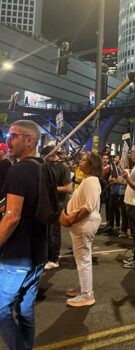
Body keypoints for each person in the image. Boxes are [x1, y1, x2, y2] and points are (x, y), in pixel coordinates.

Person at [0, 120, 47, 350]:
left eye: (14, 136)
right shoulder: (44, 168)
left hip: (16, 255)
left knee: (1, 310)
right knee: (26, 310)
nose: (8, 140)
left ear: (30, 140)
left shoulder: (18, 170)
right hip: (38, 254)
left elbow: (12, 216)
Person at [59, 152, 102, 307]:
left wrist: (71, 219)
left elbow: (88, 207)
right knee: (83, 258)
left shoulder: (91, 181)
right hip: (82, 223)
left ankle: (86, 295)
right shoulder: (88, 180)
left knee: (83, 258)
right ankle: (84, 288)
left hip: (84, 223)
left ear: (92, 164)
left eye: (84, 160)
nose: (80, 162)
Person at [40, 146, 72, 271]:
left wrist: (51, 188)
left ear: (51, 156)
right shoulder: (45, 165)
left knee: (54, 232)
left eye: (45, 157)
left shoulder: (63, 167)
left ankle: (54, 259)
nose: (44, 159)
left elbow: (69, 188)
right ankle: (47, 257)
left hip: (58, 205)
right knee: (46, 232)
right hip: (47, 204)